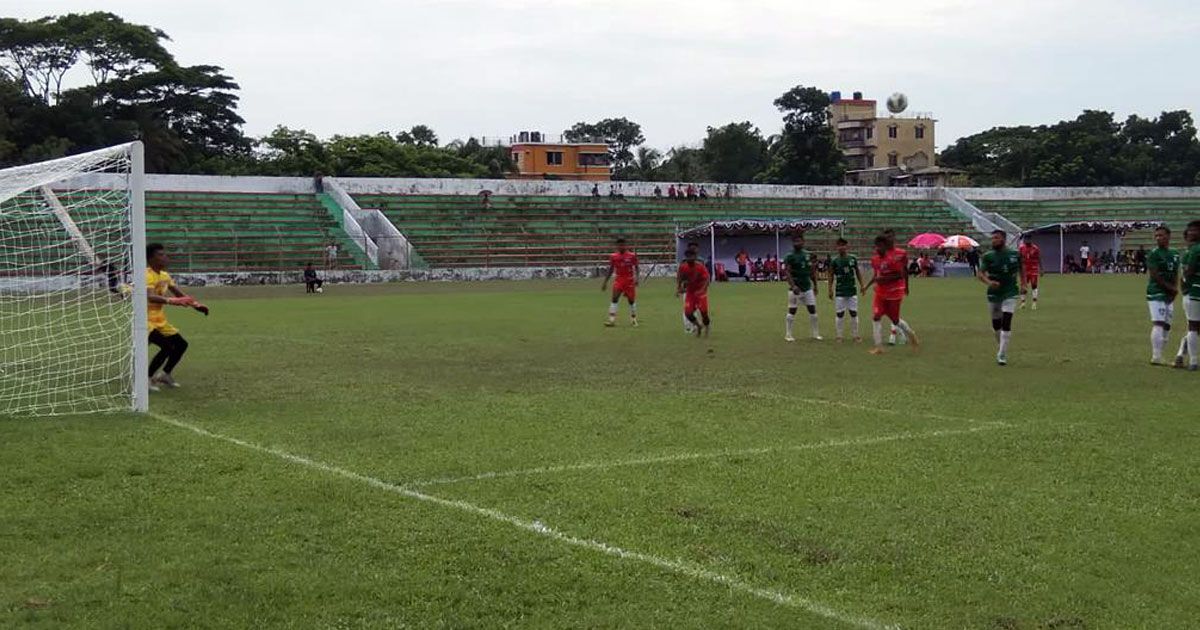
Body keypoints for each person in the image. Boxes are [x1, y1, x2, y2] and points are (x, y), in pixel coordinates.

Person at [145, 243, 209, 390]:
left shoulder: (165, 276)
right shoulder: (146, 275)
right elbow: (150, 297)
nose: (165, 257)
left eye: (165, 254)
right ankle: (147, 378)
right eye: (161, 255)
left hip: (159, 320)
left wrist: (196, 305)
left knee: (181, 345)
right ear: (151, 259)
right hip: (145, 320)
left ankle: (165, 375)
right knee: (166, 347)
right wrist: (170, 301)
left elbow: (179, 295)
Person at [862, 234, 919, 355]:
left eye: (881, 246)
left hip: (894, 293)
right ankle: (878, 347)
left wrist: (885, 279)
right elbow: (877, 275)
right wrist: (871, 284)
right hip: (880, 293)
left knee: (895, 320)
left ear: (885, 246)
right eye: (876, 246)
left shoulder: (892, 259)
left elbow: (900, 275)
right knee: (876, 316)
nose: (878, 248)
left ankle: (911, 334)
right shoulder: (875, 260)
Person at [978, 230, 1023, 366]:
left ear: (1003, 239)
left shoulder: (1014, 255)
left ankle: (1002, 354)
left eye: (996, 238)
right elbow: (980, 274)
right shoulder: (988, 256)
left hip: (1010, 292)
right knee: (996, 325)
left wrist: (1024, 283)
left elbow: (1022, 269)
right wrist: (989, 282)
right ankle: (1001, 346)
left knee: (1006, 321)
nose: (993, 241)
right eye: (992, 238)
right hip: (993, 293)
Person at [1145, 226, 1182, 366]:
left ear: (1168, 236)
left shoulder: (1175, 253)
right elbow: (1155, 275)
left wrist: (1175, 288)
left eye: (1161, 235)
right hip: (1156, 292)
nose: (1158, 238)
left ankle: (1160, 354)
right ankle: (1156, 356)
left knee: (1167, 325)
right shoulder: (1153, 254)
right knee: (1158, 322)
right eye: (1156, 236)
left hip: (1169, 293)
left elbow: (1175, 273)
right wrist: (1171, 289)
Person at [782, 233, 820, 342]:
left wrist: (815, 286)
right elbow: (787, 272)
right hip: (795, 289)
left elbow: (812, 272)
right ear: (792, 243)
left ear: (803, 241)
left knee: (812, 309)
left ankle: (815, 334)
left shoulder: (808, 255)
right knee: (792, 310)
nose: (797, 243)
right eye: (795, 241)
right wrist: (793, 286)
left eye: (799, 241)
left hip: (807, 288)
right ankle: (788, 334)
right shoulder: (789, 256)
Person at [828, 238, 864, 343]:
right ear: (837, 247)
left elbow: (857, 272)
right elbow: (830, 275)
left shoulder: (852, 258)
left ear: (847, 246)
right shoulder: (835, 261)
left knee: (853, 312)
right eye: (839, 245)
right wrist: (830, 289)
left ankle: (856, 335)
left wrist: (862, 285)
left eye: (843, 245)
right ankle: (839, 336)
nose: (841, 247)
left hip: (852, 290)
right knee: (840, 313)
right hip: (840, 291)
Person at [601, 237, 639, 327]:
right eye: (619, 245)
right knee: (614, 298)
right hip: (619, 280)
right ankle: (611, 320)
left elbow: (637, 267)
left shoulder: (632, 256)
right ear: (617, 246)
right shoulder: (613, 256)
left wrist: (637, 278)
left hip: (629, 280)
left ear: (626, 246)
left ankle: (633, 319)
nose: (621, 247)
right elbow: (611, 269)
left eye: (623, 245)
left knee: (631, 301)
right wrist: (605, 282)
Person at [1177, 220, 1200, 370]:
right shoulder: (1192, 251)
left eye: (1194, 230)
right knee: (1194, 327)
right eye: (1190, 231)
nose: (1191, 233)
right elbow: (1187, 273)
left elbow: (1185, 274)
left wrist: (1184, 287)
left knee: (1193, 326)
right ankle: (1191, 360)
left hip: (1191, 292)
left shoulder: (1188, 252)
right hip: (1194, 292)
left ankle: (1185, 357)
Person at [676, 246, 711, 337]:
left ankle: (707, 327)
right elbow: (680, 278)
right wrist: (678, 288)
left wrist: (702, 289)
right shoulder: (683, 267)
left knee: (704, 313)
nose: (689, 258)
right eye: (687, 256)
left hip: (701, 293)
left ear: (695, 257)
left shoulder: (700, 267)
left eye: (691, 256)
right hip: (690, 293)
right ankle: (698, 326)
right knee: (688, 313)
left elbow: (707, 279)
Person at [1018, 235, 1042, 310]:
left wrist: (1041, 269)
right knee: (1023, 286)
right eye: (1026, 239)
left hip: (1033, 269)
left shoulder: (1035, 248)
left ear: (1031, 239)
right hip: (1024, 270)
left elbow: (1039, 258)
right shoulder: (1021, 248)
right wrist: (1019, 269)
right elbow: (1019, 258)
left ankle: (1034, 303)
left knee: (1034, 285)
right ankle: (1023, 303)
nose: (1027, 240)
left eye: (1028, 239)